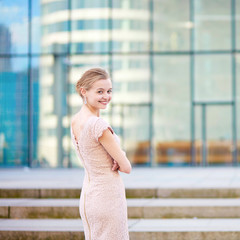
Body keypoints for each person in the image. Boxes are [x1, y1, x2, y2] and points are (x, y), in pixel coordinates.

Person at [70, 67, 132, 240]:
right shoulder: (98, 125)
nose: (106, 96)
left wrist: (116, 155)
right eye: (100, 91)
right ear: (84, 92)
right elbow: (126, 167)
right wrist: (120, 156)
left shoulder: (75, 121)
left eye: (109, 91)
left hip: (89, 196)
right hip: (108, 197)